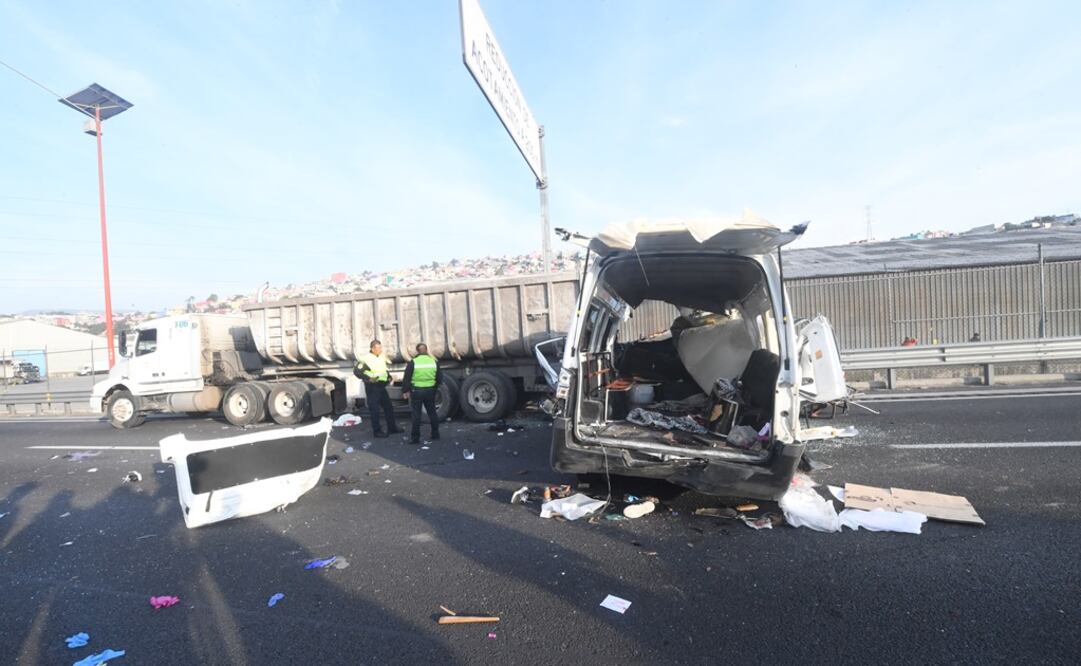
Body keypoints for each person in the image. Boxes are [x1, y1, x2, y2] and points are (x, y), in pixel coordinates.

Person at [354, 339, 400, 438]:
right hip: (372, 387)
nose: (380, 349)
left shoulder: (381, 356)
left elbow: (383, 369)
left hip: (381, 387)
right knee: (375, 410)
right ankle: (377, 431)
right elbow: (357, 372)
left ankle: (392, 428)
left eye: (381, 347)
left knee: (388, 407)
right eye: (378, 348)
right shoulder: (366, 359)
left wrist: (388, 376)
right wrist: (369, 379)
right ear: (372, 349)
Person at [402, 343, 442, 444]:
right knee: (432, 412)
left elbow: (407, 378)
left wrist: (405, 390)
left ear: (417, 351)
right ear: (426, 350)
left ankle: (415, 438)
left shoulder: (413, 362)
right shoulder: (434, 362)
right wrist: (434, 387)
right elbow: (439, 378)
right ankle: (435, 434)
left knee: (416, 414)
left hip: (417, 391)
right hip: (430, 390)